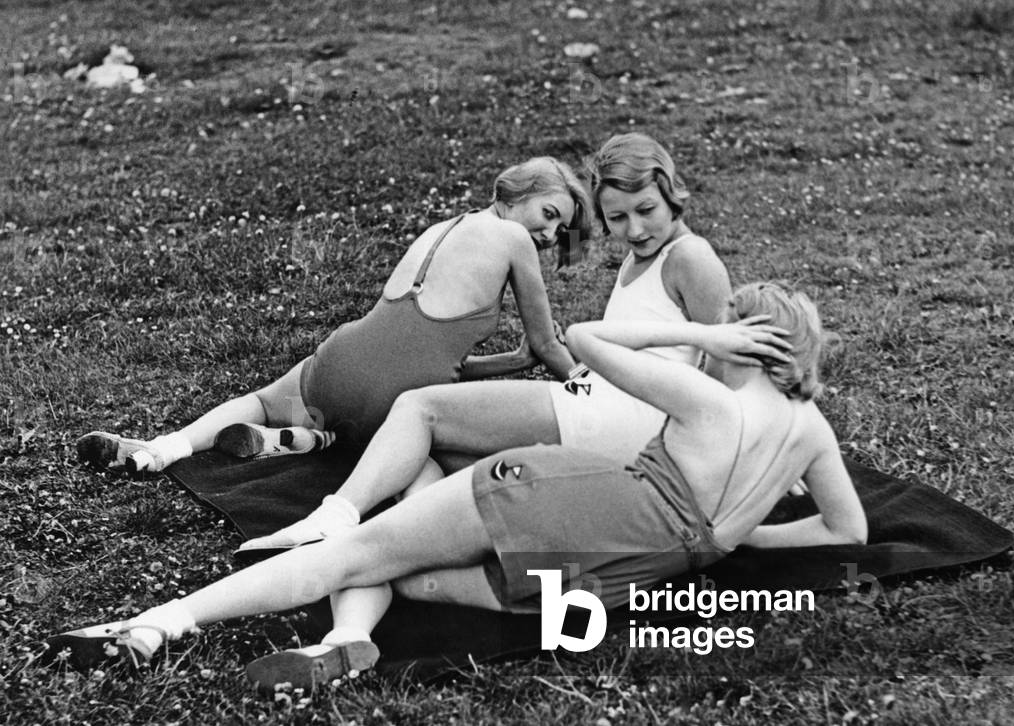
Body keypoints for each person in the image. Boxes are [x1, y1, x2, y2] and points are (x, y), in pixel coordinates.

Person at [44, 282, 868, 691]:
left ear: (745, 340)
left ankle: (158, 622)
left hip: (570, 495)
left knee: (353, 550)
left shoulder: (710, 398)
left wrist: (695, 329)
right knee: (399, 570)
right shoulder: (811, 434)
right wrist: (745, 537)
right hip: (633, 569)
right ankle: (343, 649)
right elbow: (845, 534)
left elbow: (584, 336)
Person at [237, 132, 733, 554]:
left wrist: (711, 457)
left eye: (645, 209)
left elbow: (729, 369)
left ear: (673, 192)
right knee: (437, 455)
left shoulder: (692, 257)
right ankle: (428, 535)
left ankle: (337, 519)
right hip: (605, 406)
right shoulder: (643, 256)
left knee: (419, 409)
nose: (634, 229)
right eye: (618, 218)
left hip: (624, 416)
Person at [75, 157, 593, 474]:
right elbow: (547, 349)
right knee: (454, 453)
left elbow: (428, 346)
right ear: (520, 192)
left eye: (558, 230)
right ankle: (313, 442)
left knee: (258, 401)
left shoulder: (443, 226)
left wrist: (516, 360)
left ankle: (163, 450)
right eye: (549, 215)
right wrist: (589, 383)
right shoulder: (511, 238)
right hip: (399, 400)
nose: (549, 236)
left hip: (340, 363)